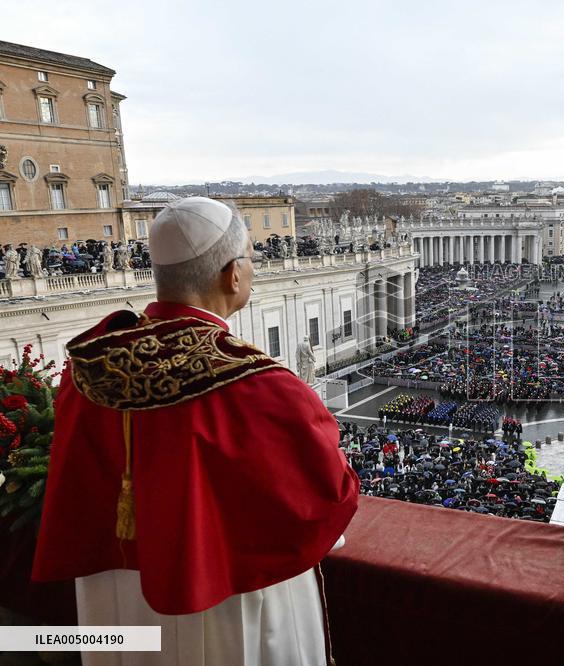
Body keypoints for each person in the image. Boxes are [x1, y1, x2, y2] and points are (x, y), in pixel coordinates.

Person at [33, 197, 360, 666]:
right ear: (232, 274)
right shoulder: (260, 384)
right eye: (250, 257)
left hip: (117, 595)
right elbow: (329, 497)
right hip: (225, 593)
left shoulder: (90, 367)